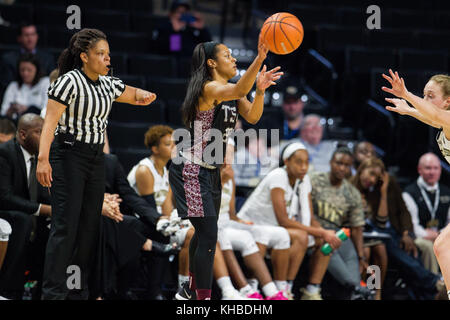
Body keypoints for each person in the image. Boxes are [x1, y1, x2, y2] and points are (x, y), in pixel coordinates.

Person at [36, 28, 156, 300]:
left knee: (89, 227)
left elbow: (132, 93)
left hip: (94, 157)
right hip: (67, 154)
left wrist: (146, 96)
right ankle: (52, 294)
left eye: (108, 54)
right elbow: (49, 124)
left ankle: (78, 291)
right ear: (84, 56)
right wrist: (43, 160)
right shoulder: (68, 82)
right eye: (100, 54)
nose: (107, 59)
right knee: (66, 227)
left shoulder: (108, 84)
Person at [168, 38, 282, 300]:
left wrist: (261, 91)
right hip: (191, 169)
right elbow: (242, 86)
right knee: (209, 236)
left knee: (204, 233)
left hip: (210, 171)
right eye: (227, 56)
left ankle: (189, 291)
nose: (233, 60)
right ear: (211, 63)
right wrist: (260, 57)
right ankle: (202, 299)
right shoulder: (209, 89)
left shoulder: (233, 91)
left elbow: (253, 117)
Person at [237, 142, 343, 300]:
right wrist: (322, 231)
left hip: (276, 227)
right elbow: (284, 220)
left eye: (307, 162)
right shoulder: (278, 175)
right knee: (301, 236)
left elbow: (310, 218)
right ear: (286, 161)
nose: (304, 167)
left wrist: (327, 234)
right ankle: (285, 288)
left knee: (324, 241)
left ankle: (312, 291)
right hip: (253, 225)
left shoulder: (304, 179)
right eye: (299, 162)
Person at [382, 70, 450, 296]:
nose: (425, 100)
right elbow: (431, 117)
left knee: (442, 245)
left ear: (448, 101)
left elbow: (435, 116)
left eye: (430, 95)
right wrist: (409, 110)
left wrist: (407, 95)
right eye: (424, 95)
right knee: (441, 246)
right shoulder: (442, 123)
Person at [94, 152, 179, 300]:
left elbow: (128, 195)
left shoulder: (111, 161)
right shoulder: (71, 159)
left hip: (114, 214)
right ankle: (118, 290)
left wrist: (157, 219)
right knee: (128, 224)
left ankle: (155, 292)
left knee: (157, 229)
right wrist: (100, 200)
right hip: (90, 215)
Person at [310, 147, 374, 299]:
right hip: (315, 231)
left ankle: (356, 290)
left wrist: (361, 257)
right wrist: (321, 231)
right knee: (328, 249)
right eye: (339, 163)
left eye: (347, 165)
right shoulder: (314, 180)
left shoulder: (352, 192)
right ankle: (356, 288)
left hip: (339, 233)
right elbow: (306, 212)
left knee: (351, 255)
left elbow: (357, 227)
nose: (342, 168)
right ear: (331, 162)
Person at [218, 163, 289, 300]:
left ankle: (272, 291)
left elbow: (231, 213)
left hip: (226, 222)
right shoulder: (205, 174)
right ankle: (245, 290)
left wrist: (242, 222)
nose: (229, 159)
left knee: (256, 233)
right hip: (210, 222)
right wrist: (221, 181)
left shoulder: (229, 175)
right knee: (222, 234)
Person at [0, 113, 51, 300]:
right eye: (39, 132)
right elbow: (4, 197)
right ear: (22, 135)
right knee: (23, 221)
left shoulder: (42, 158)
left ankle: (46, 291)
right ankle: (9, 291)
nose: (46, 136)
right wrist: (43, 209)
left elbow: (47, 195)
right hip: (7, 214)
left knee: (57, 226)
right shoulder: (5, 153)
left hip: (28, 216)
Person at [402, 153, 450, 275]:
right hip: (419, 236)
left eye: (435, 168)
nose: (432, 172)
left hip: (441, 235)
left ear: (440, 170)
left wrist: (439, 235)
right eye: (428, 168)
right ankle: (434, 287)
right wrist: (429, 235)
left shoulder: (447, 192)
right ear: (420, 170)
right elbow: (412, 225)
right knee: (428, 246)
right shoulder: (409, 193)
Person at [349, 157, 390, 300]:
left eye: (376, 178)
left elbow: (382, 222)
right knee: (366, 249)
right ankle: (358, 292)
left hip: (366, 232)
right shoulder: (347, 186)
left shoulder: (372, 193)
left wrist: (384, 193)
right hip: (348, 231)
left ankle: (375, 292)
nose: (372, 180)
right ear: (362, 169)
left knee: (380, 249)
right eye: (371, 173)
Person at [0, 22, 54, 88]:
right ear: (19, 38)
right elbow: (6, 86)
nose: (30, 39)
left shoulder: (48, 59)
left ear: (37, 36)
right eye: (26, 35)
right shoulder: (8, 59)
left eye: (32, 34)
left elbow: (52, 85)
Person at [1, 53, 50, 119]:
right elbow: (3, 113)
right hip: (16, 123)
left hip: (38, 122)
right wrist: (12, 110)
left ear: (36, 70)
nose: (25, 73)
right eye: (22, 70)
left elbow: (46, 109)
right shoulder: (13, 86)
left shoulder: (45, 82)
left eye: (29, 70)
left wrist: (26, 109)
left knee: (32, 109)